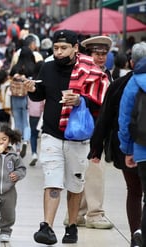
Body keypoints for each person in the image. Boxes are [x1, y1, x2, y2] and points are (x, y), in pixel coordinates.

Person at [24, 29, 109, 244]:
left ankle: (72, 226)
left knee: (74, 185)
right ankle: (47, 227)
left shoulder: (89, 70)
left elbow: (101, 102)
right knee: (52, 182)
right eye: (55, 48)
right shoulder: (47, 67)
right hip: (51, 134)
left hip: (78, 139)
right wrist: (32, 89)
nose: (59, 52)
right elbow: (40, 95)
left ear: (75, 48)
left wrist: (80, 101)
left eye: (63, 48)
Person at [89, 43, 143, 247]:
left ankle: (136, 235)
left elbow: (105, 118)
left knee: (134, 191)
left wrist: (97, 147)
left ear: (131, 62)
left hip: (127, 148)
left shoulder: (121, 84)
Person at [69, 35, 114, 229]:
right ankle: (95, 214)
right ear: (89, 53)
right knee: (94, 170)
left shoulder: (106, 75)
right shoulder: (85, 73)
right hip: (88, 127)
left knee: (85, 171)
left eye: (104, 53)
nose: (101, 57)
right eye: (97, 53)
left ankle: (77, 213)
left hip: (98, 128)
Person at [118, 42, 146, 247]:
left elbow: (125, 120)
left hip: (141, 148)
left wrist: (127, 149)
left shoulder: (133, 82)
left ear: (133, 62)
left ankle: (140, 234)